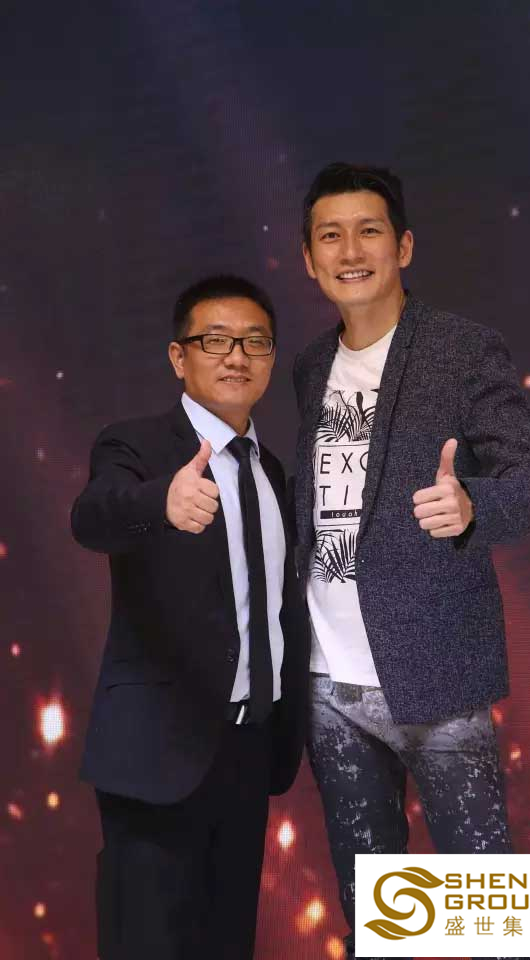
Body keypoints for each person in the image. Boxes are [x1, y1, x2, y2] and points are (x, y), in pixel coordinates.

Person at [293, 162, 530, 960]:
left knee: (489, 921)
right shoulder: (308, 367)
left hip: (437, 680)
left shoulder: (462, 348)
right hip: (329, 687)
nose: (350, 251)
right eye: (330, 236)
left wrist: (473, 505)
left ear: (403, 246)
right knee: (377, 925)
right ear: (309, 258)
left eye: (368, 231)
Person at [71, 274, 309, 960]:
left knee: (228, 941)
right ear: (179, 357)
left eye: (255, 342)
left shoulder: (272, 472)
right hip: (157, 753)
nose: (236, 356)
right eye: (215, 341)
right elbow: (93, 517)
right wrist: (160, 503)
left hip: (248, 750)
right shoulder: (135, 446)